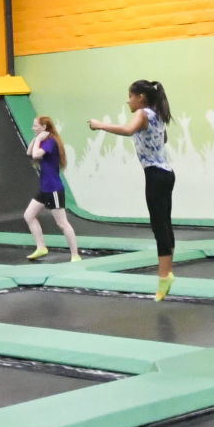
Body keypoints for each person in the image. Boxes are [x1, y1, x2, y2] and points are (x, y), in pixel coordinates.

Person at [89, 80, 177, 300]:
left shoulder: (143, 113)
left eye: (130, 96)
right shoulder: (157, 114)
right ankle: (167, 272)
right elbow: (162, 139)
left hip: (155, 175)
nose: (127, 100)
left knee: (159, 226)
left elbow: (128, 130)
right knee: (165, 222)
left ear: (141, 98)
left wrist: (100, 125)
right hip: (167, 173)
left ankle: (164, 277)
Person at [25, 115, 81, 263]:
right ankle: (41, 247)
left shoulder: (50, 141)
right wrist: (36, 137)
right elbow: (29, 152)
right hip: (45, 188)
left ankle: (75, 255)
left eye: (35, 126)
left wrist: (38, 139)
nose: (33, 128)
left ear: (44, 127)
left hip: (54, 189)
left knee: (62, 223)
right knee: (29, 215)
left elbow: (36, 154)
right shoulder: (43, 139)